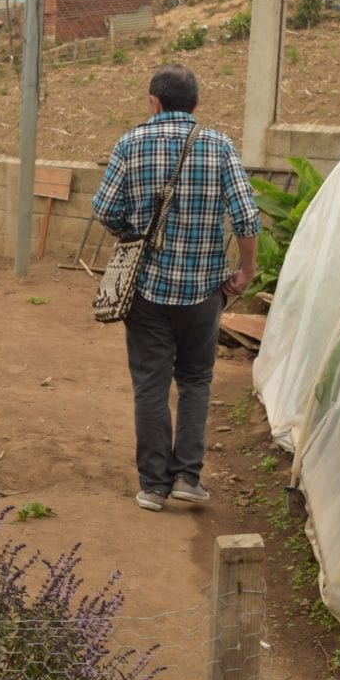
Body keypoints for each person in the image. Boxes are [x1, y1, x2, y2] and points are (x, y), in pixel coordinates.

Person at [91, 63, 260, 513]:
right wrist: (244, 272)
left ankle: (153, 486)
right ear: (196, 104)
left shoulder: (130, 143)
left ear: (154, 103)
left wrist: (135, 232)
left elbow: (104, 208)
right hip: (205, 291)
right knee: (196, 380)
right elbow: (246, 216)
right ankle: (188, 476)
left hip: (145, 290)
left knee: (150, 385)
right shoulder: (219, 145)